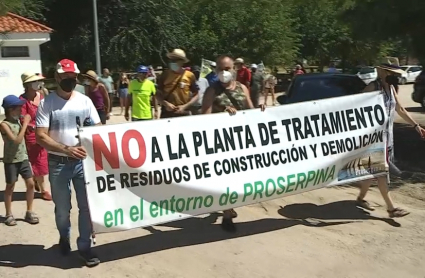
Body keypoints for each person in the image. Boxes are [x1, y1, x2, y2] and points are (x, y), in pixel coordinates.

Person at [35, 59, 101, 267]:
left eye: (73, 77)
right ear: (57, 78)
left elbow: (98, 128)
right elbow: (40, 136)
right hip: (58, 163)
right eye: (66, 77)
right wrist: (66, 149)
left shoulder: (84, 101)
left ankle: (85, 247)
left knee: (86, 207)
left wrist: (91, 136)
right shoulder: (47, 104)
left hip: (83, 163)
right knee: (63, 208)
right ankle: (64, 238)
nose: (70, 80)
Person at [202, 55, 265, 232]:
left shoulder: (242, 87)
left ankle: (229, 207)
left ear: (234, 70)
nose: (224, 72)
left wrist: (260, 110)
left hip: (241, 142)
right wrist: (222, 113)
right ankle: (227, 214)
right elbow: (203, 118)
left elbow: (250, 110)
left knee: (240, 178)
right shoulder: (211, 91)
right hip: (221, 143)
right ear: (216, 71)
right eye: (220, 69)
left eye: (227, 68)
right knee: (225, 179)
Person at [356, 64, 425, 218]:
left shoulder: (392, 89)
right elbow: (357, 107)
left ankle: (360, 198)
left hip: (387, 138)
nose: (394, 76)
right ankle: (391, 208)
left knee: (373, 171)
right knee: (382, 171)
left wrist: (416, 126)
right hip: (373, 139)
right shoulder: (373, 87)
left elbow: (400, 109)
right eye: (390, 73)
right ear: (382, 72)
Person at [1, 95, 39, 226]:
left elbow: (21, 135)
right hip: (11, 160)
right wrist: (25, 124)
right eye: (19, 109)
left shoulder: (18, 122)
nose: (21, 111)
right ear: (11, 110)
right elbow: (16, 140)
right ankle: (8, 214)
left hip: (23, 158)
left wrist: (26, 127)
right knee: (10, 186)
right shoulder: (4, 124)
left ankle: (29, 211)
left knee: (30, 184)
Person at [19, 72, 52, 201]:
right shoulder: (22, 101)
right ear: (27, 85)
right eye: (35, 81)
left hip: (45, 131)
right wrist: (30, 126)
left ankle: (38, 180)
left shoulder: (42, 96)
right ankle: (44, 189)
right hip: (32, 135)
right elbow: (22, 119)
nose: (39, 84)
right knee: (38, 161)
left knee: (45, 159)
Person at [156, 49, 199, 118]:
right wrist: (165, 104)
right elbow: (158, 94)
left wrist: (185, 106)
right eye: (171, 60)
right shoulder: (165, 75)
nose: (172, 62)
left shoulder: (190, 75)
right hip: (167, 113)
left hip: (184, 112)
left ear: (182, 62)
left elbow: (196, 94)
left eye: (175, 60)